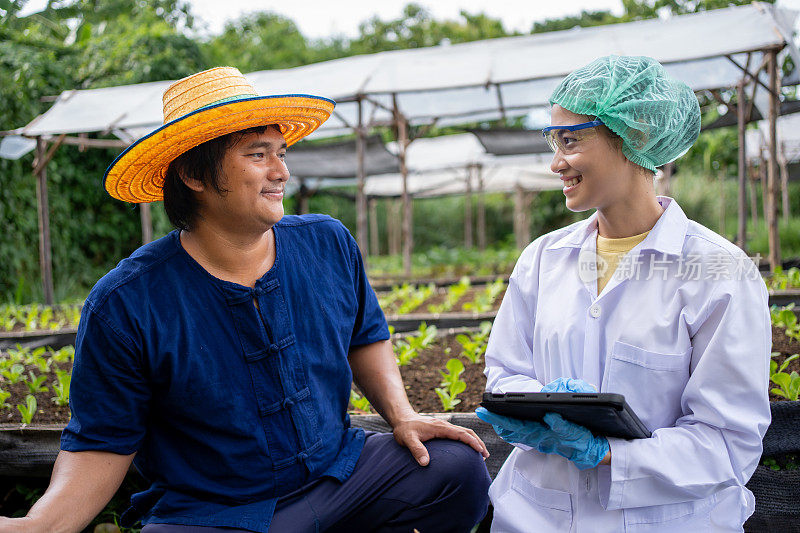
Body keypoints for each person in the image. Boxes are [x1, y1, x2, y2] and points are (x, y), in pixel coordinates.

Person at [0, 67, 491, 533]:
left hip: (343, 478)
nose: (281, 171)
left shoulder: (327, 242)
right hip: (216, 512)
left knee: (456, 468)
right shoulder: (127, 302)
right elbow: (101, 443)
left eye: (281, 152)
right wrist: (40, 525)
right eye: (258, 155)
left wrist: (402, 416)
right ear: (194, 175)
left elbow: (366, 335)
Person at [476, 55, 771, 532]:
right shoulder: (542, 259)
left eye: (570, 140)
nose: (556, 163)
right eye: (553, 141)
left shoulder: (719, 273)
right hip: (534, 515)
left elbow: (726, 442)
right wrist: (532, 404)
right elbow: (506, 371)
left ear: (633, 136)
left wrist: (609, 453)